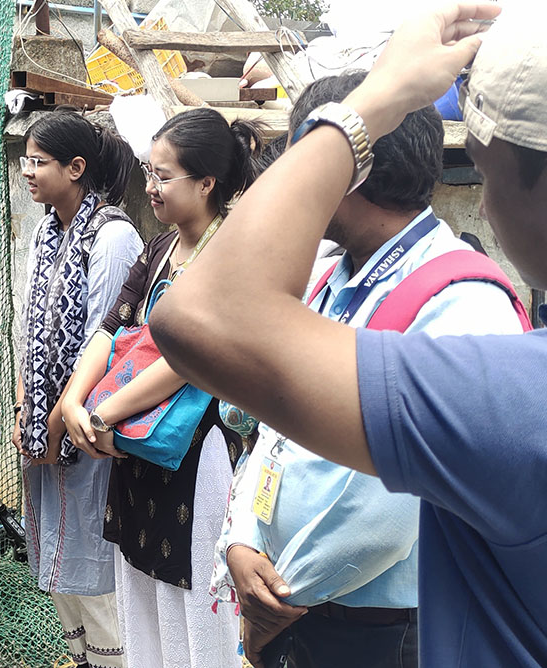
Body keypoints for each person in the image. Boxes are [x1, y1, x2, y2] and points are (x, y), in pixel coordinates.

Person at [150, 4, 547, 666]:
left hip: (363, 615)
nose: (482, 198)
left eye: (485, 167)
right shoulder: (336, 276)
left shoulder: (472, 314)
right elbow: (274, 436)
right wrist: (245, 535)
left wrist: (369, 105)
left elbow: (384, 513)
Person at [61, 107, 259, 668]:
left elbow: (190, 359)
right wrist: (74, 401)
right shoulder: (160, 248)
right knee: (140, 594)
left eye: (163, 175)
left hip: (194, 453)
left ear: (206, 182)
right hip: (132, 447)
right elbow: (111, 329)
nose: (149, 186)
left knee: (195, 601)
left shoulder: (233, 259)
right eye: (148, 172)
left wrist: (103, 414)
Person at [15, 110, 144, 668]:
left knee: (92, 560)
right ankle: (83, 658)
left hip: (87, 426)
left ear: (76, 168)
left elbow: (104, 342)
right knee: (58, 558)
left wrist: (54, 420)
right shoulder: (47, 231)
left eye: (38, 162)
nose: (27, 172)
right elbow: (29, 325)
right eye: (25, 161)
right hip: (43, 424)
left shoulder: (114, 237)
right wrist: (27, 405)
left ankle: (114, 659)